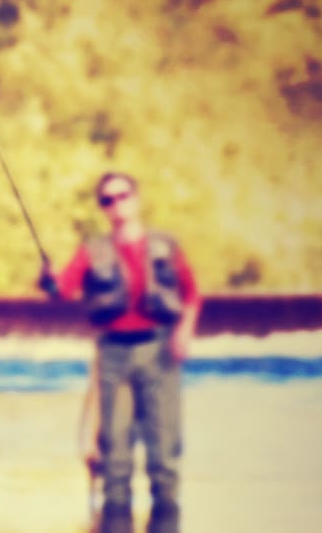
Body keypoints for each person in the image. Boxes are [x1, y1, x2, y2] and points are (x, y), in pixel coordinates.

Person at [39, 172, 201, 515]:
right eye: (107, 200)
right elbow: (63, 289)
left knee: (164, 453)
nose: (116, 205)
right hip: (112, 354)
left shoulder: (165, 247)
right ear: (103, 208)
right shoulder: (92, 252)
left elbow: (191, 295)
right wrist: (49, 282)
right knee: (114, 454)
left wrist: (184, 333)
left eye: (123, 195)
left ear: (137, 198)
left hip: (159, 350)